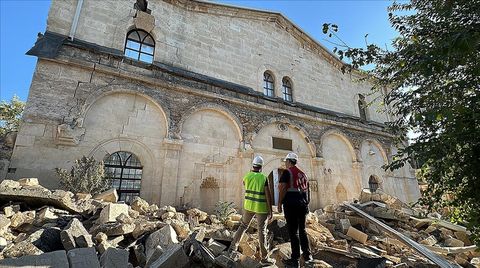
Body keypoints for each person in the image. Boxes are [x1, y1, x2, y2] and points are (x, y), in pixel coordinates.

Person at [229, 155, 275, 266]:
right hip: (260, 207)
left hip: (248, 206)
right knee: (261, 231)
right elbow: (268, 195)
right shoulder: (263, 178)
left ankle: (232, 248)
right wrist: (270, 210)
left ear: (253, 165)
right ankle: (264, 257)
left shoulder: (247, 176)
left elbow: (244, 183)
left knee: (243, 226)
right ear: (261, 166)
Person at [277, 152, 312, 267]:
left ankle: (295, 259)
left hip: (291, 205)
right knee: (302, 230)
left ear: (288, 161)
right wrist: (306, 203)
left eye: (286, 161)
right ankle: (307, 255)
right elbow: (307, 190)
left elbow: (282, 188)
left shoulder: (287, 172)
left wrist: (279, 203)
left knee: (293, 232)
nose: (285, 163)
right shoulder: (303, 174)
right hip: (302, 205)